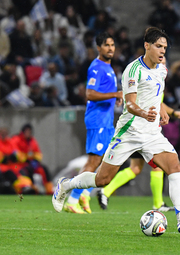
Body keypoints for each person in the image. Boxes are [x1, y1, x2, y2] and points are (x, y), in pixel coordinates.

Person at [53, 27, 180, 234]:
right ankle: (67, 185)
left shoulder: (162, 69)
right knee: (102, 179)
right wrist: (145, 114)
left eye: (165, 48)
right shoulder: (133, 70)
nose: (163, 51)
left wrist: (162, 110)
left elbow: (156, 94)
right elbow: (130, 104)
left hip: (152, 133)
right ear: (147, 46)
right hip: (128, 132)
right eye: (158, 47)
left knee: (175, 166)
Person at [62, 32, 122, 214]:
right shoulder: (96, 67)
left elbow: (103, 94)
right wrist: (115, 95)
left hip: (106, 120)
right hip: (98, 120)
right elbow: (89, 94)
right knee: (93, 161)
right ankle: (71, 199)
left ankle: (84, 194)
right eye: (106, 45)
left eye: (112, 45)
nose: (110, 48)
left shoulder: (108, 68)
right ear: (98, 48)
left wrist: (114, 98)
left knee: (105, 160)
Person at [97, 102, 180, 211]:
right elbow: (155, 99)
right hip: (144, 129)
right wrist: (173, 112)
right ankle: (158, 204)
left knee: (135, 168)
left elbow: (157, 101)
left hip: (139, 128)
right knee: (157, 166)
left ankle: (105, 191)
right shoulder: (153, 84)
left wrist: (170, 112)